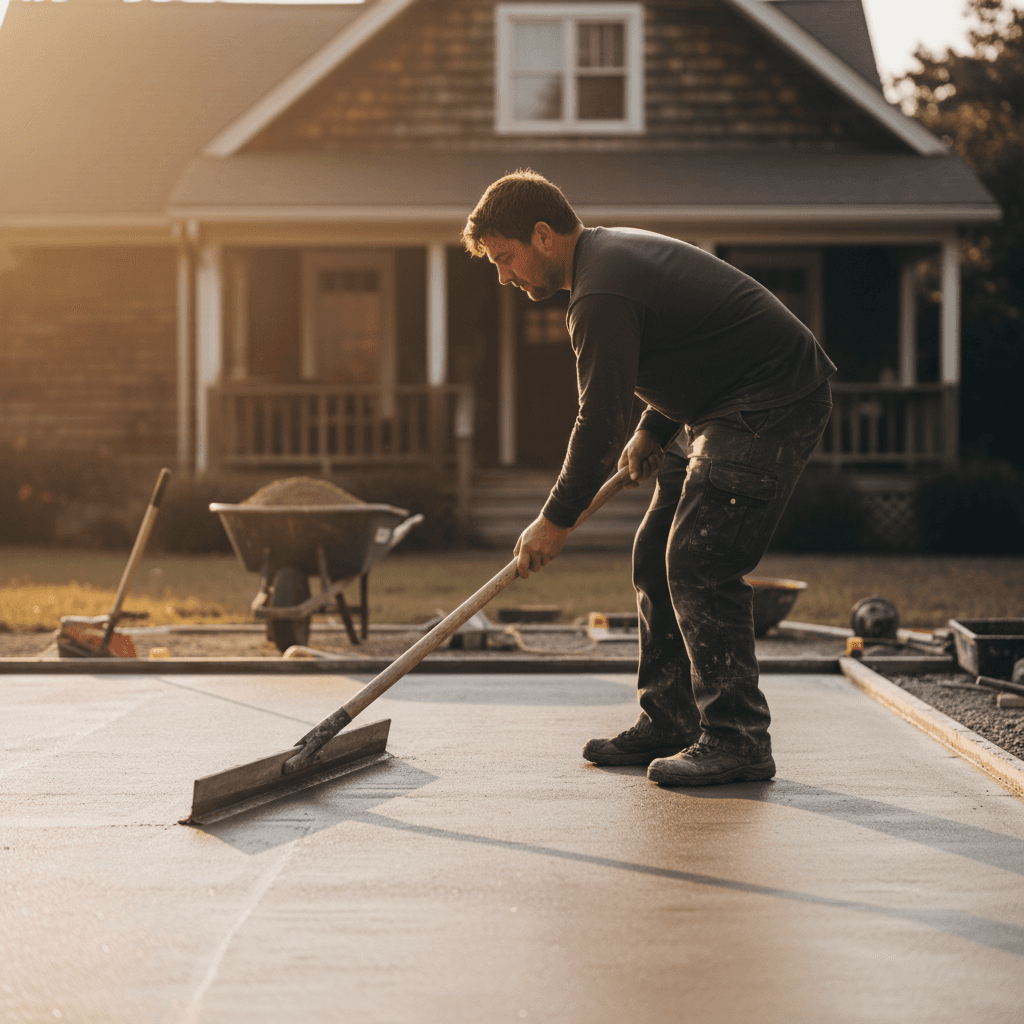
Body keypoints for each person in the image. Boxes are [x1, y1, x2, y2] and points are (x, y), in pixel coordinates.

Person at [462, 170, 836, 786]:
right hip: (718, 404)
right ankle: (670, 720)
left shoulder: (598, 294)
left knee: (698, 560)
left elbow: (598, 419)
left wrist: (554, 520)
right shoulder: (606, 262)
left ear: (543, 234)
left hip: (769, 401)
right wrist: (654, 429)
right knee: (653, 554)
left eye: (506, 258)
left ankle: (738, 738)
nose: (504, 276)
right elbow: (698, 346)